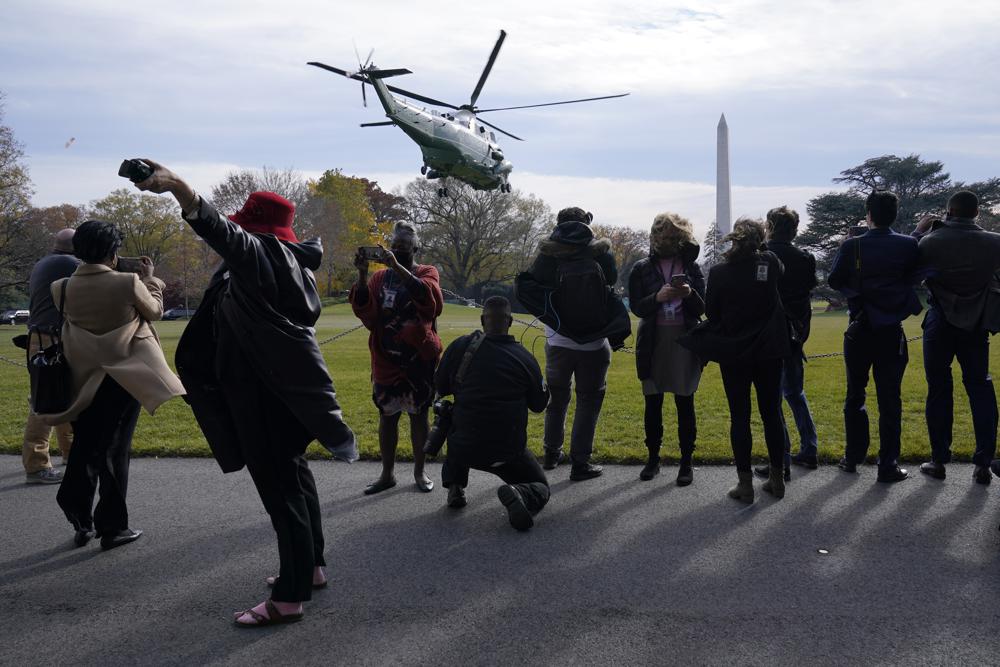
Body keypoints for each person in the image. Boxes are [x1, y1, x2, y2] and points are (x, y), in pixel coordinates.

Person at [137, 161, 358, 628]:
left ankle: (289, 597)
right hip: (281, 392)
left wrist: (179, 187)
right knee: (295, 482)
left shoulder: (265, 256)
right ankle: (311, 567)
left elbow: (220, 232)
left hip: (263, 395)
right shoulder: (291, 259)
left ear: (257, 233)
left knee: (282, 497)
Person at [42, 220, 184, 549]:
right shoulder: (127, 282)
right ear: (114, 252)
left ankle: (80, 514)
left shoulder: (60, 287)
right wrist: (151, 280)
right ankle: (113, 527)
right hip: (123, 375)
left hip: (80, 377)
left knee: (87, 445)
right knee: (115, 452)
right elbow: (155, 312)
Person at [679, 218, 790, 503]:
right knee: (772, 415)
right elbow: (777, 270)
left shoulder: (719, 272)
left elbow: (713, 314)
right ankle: (776, 479)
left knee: (740, 416)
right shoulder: (771, 262)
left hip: (736, 352)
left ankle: (745, 484)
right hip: (769, 351)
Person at [828, 191, 922, 483]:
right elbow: (914, 278)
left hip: (859, 328)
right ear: (893, 214)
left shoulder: (852, 246)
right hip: (891, 331)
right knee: (890, 399)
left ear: (868, 214)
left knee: (855, 395)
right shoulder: (908, 245)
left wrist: (858, 294)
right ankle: (888, 463)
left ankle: (853, 457)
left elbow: (834, 280)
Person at [437, 297, 551, 530]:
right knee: (541, 487)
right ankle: (519, 492)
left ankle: (455, 487)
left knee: (456, 421)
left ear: (482, 320)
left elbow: (440, 387)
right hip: (506, 451)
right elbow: (539, 405)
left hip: (465, 447)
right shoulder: (524, 358)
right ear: (510, 321)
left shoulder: (460, 346)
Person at [526, 207, 622, 480]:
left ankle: (551, 454)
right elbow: (612, 280)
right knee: (588, 402)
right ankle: (580, 463)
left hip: (557, 340)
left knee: (556, 401)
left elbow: (533, 286)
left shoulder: (548, 254)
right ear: (586, 224)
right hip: (594, 342)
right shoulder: (599, 252)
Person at [912, 191, 1000, 483]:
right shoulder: (994, 242)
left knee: (938, 389)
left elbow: (908, 266)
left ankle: (939, 460)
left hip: (940, 321)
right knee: (980, 388)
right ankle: (983, 463)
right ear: (976, 213)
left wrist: (919, 230)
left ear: (948, 212)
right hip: (976, 324)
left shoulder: (931, 241)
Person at [351, 222, 444, 494]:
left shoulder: (427, 272)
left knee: (419, 416)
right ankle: (387, 474)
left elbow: (430, 302)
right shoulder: (380, 279)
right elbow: (367, 313)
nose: (398, 249)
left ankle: (420, 472)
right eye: (395, 245)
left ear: (416, 248)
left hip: (419, 361)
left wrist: (398, 268)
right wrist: (361, 273)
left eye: (404, 246)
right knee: (387, 417)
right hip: (387, 361)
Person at [627, 213, 705, 485]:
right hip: (653, 340)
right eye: (665, 236)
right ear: (656, 236)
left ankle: (687, 462)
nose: (669, 241)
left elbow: (702, 308)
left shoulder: (692, 267)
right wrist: (657, 297)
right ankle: (653, 458)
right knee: (653, 402)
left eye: (675, 237)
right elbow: (637, 307)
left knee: (685, 402)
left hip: (684, 340)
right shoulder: (640, 268)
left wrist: (689, 294)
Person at [753, 206, 819, 482]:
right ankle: (809, 448)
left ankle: (782, 460)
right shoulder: (805, 258)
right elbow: (806, 297)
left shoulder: (762, 257)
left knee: (772, 401)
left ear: (769, 226)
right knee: (795, 393)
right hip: (794, 335)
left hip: (768, 335)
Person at [21, 228, 78, 484]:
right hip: (51, 338)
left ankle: (70, 452)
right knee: (44, 402)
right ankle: (36, 465)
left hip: (41, 337)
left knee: (61, 395)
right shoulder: (71, 263)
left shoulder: (44, 262)